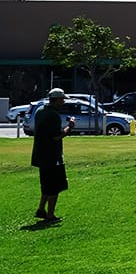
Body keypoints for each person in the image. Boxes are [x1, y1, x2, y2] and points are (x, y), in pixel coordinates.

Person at [30, 88, 74, 223]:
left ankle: (41, 209)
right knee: (54, 186)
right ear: (57, 100)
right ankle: (50, 215)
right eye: (62, 99)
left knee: (46, 185)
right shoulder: (53, 115)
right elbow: (56, 137)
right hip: (52, 155)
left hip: (40, 154)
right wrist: (70, 127)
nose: (64, 102)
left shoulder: (40, 110)